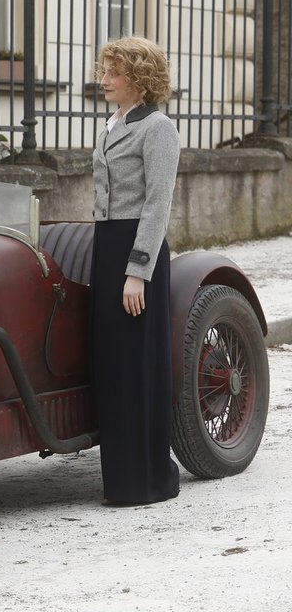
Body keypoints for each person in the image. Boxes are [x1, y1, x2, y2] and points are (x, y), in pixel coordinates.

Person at [91, 35, 181, 507]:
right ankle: (120, 479)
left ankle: (148, 480)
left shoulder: (158, 128)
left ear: (139, 78)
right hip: (107, 248)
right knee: (114, 365)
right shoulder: (111, 124)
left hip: (136, 254)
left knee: (138, 364)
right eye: (103, 70)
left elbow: (157, 204)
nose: (103, 79)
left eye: (113, 72)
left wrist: (137, 271)